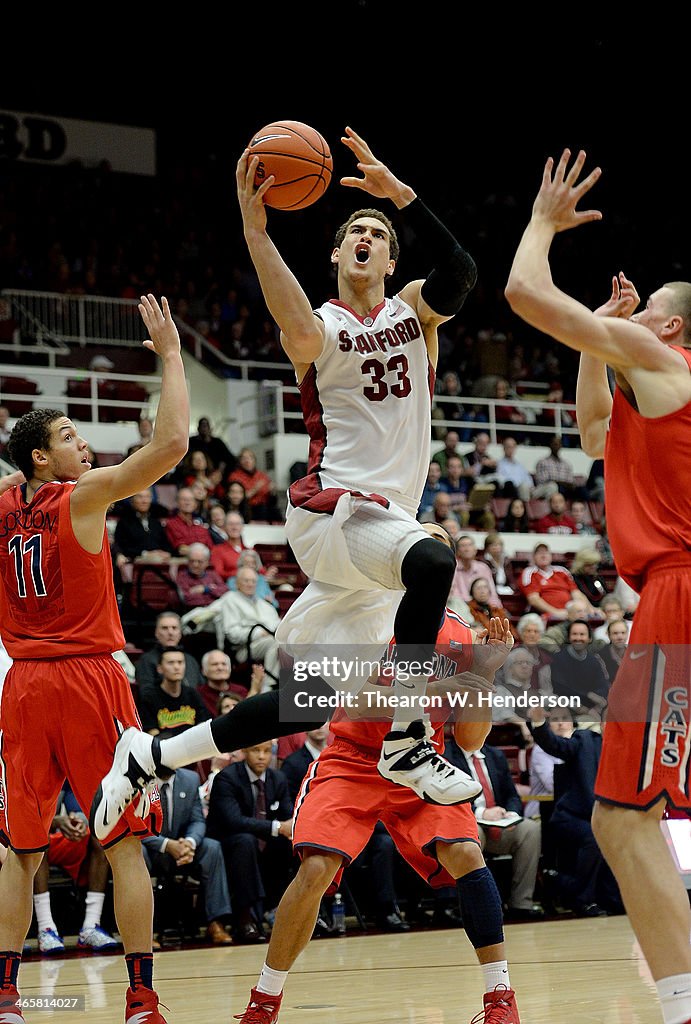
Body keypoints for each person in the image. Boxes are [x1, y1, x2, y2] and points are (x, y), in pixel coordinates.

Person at [91, 125, 485, 845]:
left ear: (393, 259)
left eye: (377, 232)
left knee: (305, 703)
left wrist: (401, 197)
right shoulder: (317, 329)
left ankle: (149, 755)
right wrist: (254, 229)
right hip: (332, 513)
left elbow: (461, 271)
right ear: (336, 254)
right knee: (433, 559)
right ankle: (405, 735)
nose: (365, 237)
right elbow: (290, 314)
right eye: (354, 232)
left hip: (374, 543)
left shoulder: (415, 315)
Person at [506, 146, 691, 1023]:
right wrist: (598, 338)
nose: (635, 317)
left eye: (648, 313)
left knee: (622, 816)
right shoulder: (654, 394)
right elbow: (588, 432)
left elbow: (525, 298)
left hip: (677, 598)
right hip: (671, 593)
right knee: (630, 816)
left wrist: (543, 223)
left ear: (675, 333)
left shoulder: (671, 372)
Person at [0, 294, 188, 1024]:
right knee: (126, 842)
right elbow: (169, 446)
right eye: (72, 436)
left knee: (19, 849)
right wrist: (170, 356)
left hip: (22, 687)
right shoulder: (81, 500)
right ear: (43, 458)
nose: (87, 445)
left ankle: (8, 994)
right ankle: (140, 996)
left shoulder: (6, 503)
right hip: (88, 679)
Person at [234, 578, 521, 1022]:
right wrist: (444, 689)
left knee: (466, 853)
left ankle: (500, 998)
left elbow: (469, 737)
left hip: (422, 758)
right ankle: (265, 1000)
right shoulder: (365, 618)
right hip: (355, 759)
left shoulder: (463, 635)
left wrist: (485, 673)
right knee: (316, 868)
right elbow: (359, 699)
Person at [206, 740, 295, 945]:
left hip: (261, 840)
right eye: (256, 750)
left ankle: (281, 910)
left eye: (266, 751)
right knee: (246, 842)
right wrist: (277, 827)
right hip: (226, 841)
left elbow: (287, 816)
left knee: (288, 843)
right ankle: (245, 917)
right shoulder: (227, 778)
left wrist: (287, 828)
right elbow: (234, 821)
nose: (262, 756)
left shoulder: (278, 778)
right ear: (245, 750)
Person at [141, 767, 232, 946]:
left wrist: (189, 843)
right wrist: (167, 845)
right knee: (135, 854)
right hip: (151, 849)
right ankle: (144, 931)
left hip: (183, 848)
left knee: (212, 848)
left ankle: (215, 923)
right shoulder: (138, 781)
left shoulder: (190, 779)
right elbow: (137, 827)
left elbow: (197, 820)